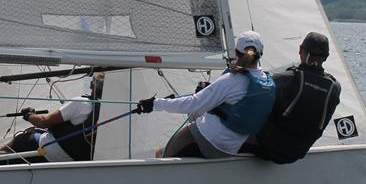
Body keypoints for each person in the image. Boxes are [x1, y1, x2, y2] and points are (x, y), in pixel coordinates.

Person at [137, 32, 275, 159]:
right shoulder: (268, 83)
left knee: (160, 153)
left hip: (207, 141)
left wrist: (155, 104)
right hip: (230, 149)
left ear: (236, 52)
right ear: (260, 53)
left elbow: (193, 104)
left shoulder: (231, 80)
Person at [247, 31, 341, 164]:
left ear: (300, 50)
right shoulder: (335, 88)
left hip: (266, 148)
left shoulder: (286, 78)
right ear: (326, 57)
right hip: (297, 153)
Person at [3, 73, 104, 162]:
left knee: (17, 142)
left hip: (45, 151)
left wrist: (28, 115)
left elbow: (44, 122)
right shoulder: (110, 111)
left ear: (91, 85)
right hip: (72, 160)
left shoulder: (82, 104)